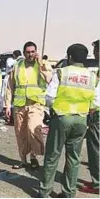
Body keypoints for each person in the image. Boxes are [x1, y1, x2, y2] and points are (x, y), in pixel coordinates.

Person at [38, 43, 99, 198]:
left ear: (70, 57)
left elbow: (50, 97)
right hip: (81, 120)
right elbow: (96, 102)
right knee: (74, 158)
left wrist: (54, 107)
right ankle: (69, 192)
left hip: (61, 118)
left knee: (52, 155)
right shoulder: (92, 77)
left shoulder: (61, 73)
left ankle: (45, 191)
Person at [4, 41, 52, 169]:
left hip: (35, 104)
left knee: (33, 129)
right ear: (24, 53)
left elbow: (49, 79)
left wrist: (41, 63)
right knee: (21, 134)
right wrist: (7, 105)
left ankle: (35, 155)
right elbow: (10, 86)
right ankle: (24, 160)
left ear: (36, 52)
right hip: (20, 105)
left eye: (32, 52)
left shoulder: (43, 64)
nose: (30, 54)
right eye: (28, 52)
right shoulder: (18, 65)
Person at [78, 39, 100, 194]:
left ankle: (98, 183)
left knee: (95, 149)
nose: (94, 53)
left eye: (97, 50)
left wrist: (92, 108)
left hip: (97, 113)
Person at [0, 50, 24, 122]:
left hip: (13, 79)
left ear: (14, 55)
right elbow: (11, 65)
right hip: (15, 79)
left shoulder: (19, 61)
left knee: (7, 95)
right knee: (9, 96)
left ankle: (8, 113)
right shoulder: (13, 61)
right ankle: (8, 112)